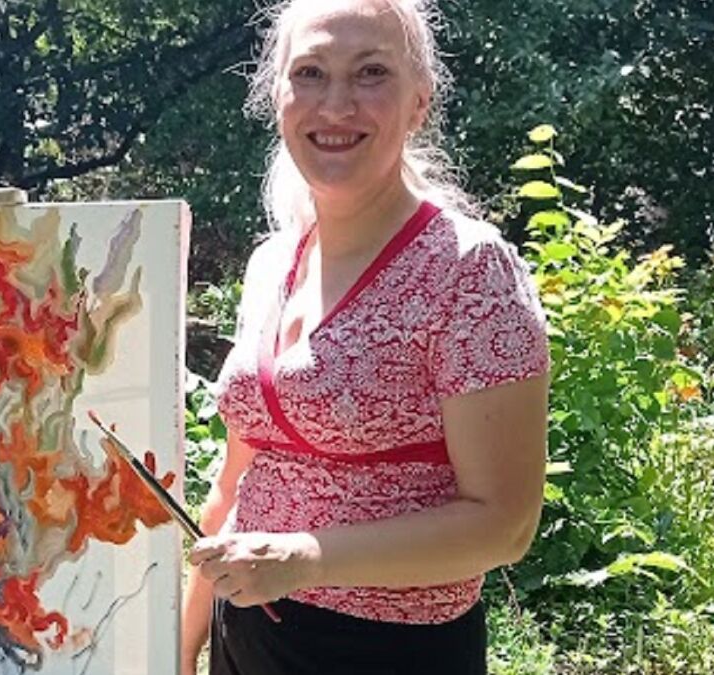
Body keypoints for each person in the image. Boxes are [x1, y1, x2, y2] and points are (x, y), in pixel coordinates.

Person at [180, 0, 552, 673]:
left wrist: (307, 557)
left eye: (371, 72)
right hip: (247, 641)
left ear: (418, 103)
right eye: (312, 73)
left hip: (389, 653)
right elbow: (236, 484)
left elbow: (506, 523)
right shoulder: (272, 264)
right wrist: (181, 646)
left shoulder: (467, 267)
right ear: (278, 98)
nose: (336, 104)